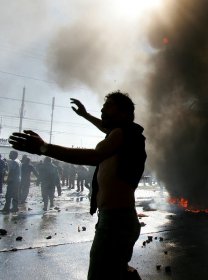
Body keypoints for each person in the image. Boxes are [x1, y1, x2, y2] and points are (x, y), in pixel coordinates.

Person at [9, 91, 146, 279]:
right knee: (115, 272)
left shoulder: (122, 134)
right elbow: (106, 128)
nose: (102, 109)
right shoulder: (121, 134)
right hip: (117, 219)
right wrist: (85, 115)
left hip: (116, 222)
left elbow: (92, 156)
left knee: (100, 274)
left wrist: (44, 148)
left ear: (123, 113)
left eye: (108, 105)